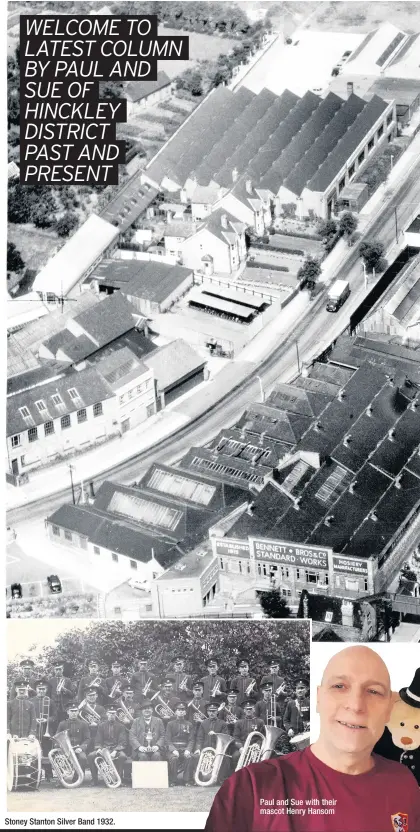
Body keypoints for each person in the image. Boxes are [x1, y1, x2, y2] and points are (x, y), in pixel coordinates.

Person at [205, 646, 420, 832]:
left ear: (389, 709)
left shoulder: (405, 782)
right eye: (340, 686)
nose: (355, 705)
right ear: (318, 697)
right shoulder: (248, 788)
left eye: (373, 691)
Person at [88, 705, 127, 786]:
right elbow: (98, 739)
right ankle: (94, 780)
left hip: (116, 749)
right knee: (91, 756)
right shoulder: (101, 725)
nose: (112, 715)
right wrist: (99, 748)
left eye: (113, 713)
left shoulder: (121, 726)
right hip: (104, 748)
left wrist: (116, 750)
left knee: (122, 756)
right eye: (110, 713)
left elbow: (122, 741)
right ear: (107, 714)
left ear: (116, 714)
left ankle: (119, 779)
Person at [55, 703, 91, 785]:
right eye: (72, 711)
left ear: (78, 712)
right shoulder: (62, 724)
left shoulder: (84, 724)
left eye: (76, 711)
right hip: (66, 748)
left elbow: (88, 739)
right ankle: (61, 779)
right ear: (68, 712)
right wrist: (61, 747)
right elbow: (57, 737)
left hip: (78, 748)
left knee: (83, 758)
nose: (74, 713)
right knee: (58, 758)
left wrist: (81, 748)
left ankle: (78, 778)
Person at [165, 702, 195, 786]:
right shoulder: (170, 724)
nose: (181, 712)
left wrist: (188, 750)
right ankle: (173, 780)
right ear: (175, 712)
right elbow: (167, 739)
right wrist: (173, 750)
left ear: (185, 712)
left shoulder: (189, 724)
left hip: (184, 748)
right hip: (173, 749)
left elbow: (191, 740)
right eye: (179, 710)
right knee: (174, 759)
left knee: (189, 757)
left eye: (183, 710)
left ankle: (187, 780)